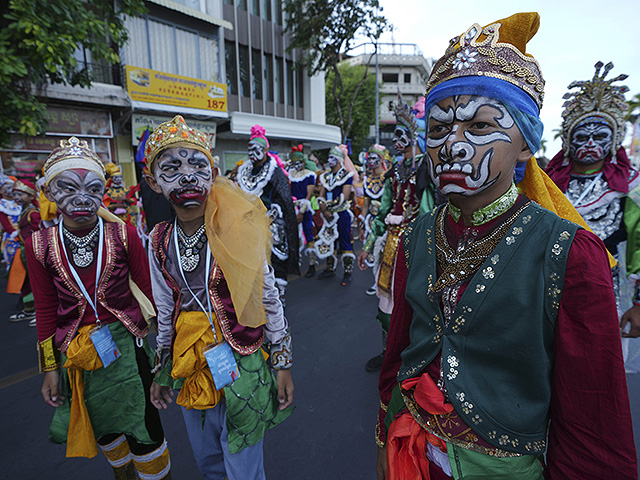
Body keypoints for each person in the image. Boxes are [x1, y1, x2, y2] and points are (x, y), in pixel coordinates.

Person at [375, 13, 637, 480]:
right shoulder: (417, 231)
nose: (451, 146)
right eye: (437, 131)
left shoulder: (571, 253)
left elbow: (594, 424)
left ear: (525, 146)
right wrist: (383, 434)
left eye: (478, 127)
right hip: (408, 450)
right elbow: (399, 349)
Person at [143, 115, 294, 480]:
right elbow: (165, 309)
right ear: (152, 180)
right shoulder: (158, 238)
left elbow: (268, 296)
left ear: (212, 173)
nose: (188, 176)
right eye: (172, 168)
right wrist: (162, 369)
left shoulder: (236, 227)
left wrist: (283, 361)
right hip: (188, 361)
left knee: (243, 464)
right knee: (207, 459)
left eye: (197, 165)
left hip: (242, 357)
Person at [25, 137, 171, 480]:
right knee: (105, 428)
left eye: (92, 189)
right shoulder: (39, 245)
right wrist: (49, 369)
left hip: (129, 348)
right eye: (67, 187)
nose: (81, 198)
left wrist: (166, 351)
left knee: (145, 428)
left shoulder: (122, 235)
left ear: (103, 191)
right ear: (47, 191)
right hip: (77, 354)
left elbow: (152, 292)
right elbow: (46, 308)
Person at [545, 63, 640, 369]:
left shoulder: (632, 189)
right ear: (568, 141)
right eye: (581, 135)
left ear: (613, 142)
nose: (589, 143)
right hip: (549, 294)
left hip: (607, 296)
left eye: (599, 136)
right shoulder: (548, 184)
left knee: (598, 375)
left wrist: (638, 304)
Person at [357, 96, 435, 372]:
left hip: (415, 247)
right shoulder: (393, 173)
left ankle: (413, 359)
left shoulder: (427, 170)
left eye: (401, 135)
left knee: (414, 304)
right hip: (390, 244)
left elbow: (429, 213)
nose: (396, 140)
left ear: (414, 137)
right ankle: (387, 352)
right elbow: (383, 212)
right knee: (385, 303)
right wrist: (367, 245)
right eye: (395, 135)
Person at [235, 124, 299, 304]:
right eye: (249, 150)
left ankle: (280, 292)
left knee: (276, 255)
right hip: (249, 221)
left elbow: (283, 197)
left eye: (256, 150)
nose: (251, 153)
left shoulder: (275, 171)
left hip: (272, 220)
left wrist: (273, 212)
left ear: (265, 150)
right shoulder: (244, 170)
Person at [313, 144, 357, 286]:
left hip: (341, 214)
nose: (329, 160)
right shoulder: (325, 176)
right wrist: (323, 208)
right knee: (328, 241)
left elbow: (344, 196)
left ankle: (347, 272)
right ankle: (330, 269)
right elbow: (321, 195)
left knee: (345, 242)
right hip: (328, 215)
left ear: (338, 159)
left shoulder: (346, 175)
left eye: (332, 158)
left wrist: (328, 207)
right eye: (329, 158)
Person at [7, 179, 40, 325]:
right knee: (26, 281)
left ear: (31, 196)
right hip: (24, 251)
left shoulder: (33, 213)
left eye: (21, 194)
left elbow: (39, 232)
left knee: (36, 281)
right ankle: (28, 310)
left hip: (32, 252)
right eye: (15, 194)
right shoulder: (25, 211)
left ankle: (39, 312)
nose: (17, 197)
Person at [358, 144, 389, 295]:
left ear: (381, 159)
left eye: (373, 158)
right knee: (371, 252)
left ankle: (384, 281)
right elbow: (365, 204)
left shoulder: (388, 178)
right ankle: (375, 281)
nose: (370, 161)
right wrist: (361, 224)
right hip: (371, 220)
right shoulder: (367, 180)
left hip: (385, 221)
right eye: (368, 158)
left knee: (384, 252)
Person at [286, 145, 319, 277]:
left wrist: (302, 211)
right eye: (294, 163)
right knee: (293, 235)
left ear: (303, 162)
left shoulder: (309, 175)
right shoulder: (291, 175)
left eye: (298, 163)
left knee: (309, 234)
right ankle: (295, 263)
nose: (296, 165)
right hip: (293, 206)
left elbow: (309, 194)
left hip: (305, 208)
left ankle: (312, 265)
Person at [0, 174, 21, 270]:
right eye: (7, 187)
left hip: (24, 235)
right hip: (12, 237)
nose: (10, 190)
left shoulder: (19, 201)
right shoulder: (1, 205)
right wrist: (15, 234)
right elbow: (6, 225)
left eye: (12, 187)